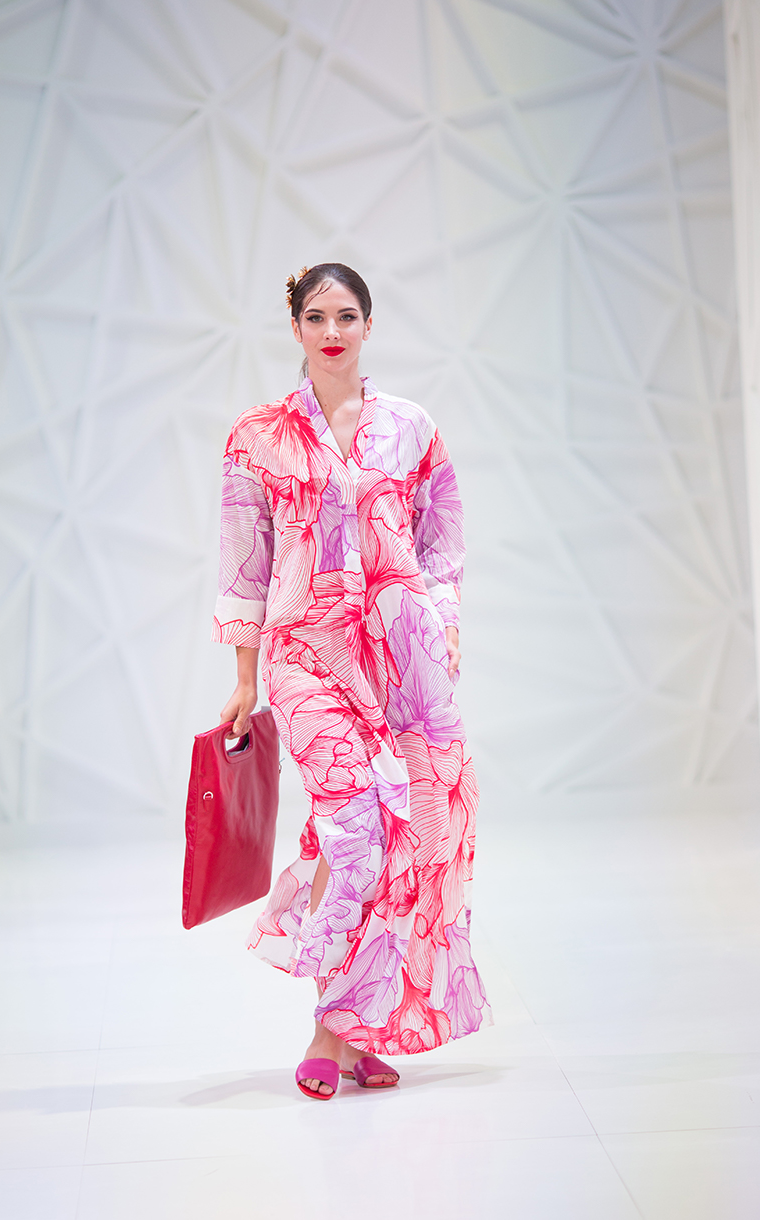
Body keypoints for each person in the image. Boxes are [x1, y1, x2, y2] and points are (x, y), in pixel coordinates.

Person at [214, 263, 492, 1099]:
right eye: (315, 316)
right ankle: (332, 1030)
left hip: (401, 660)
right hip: (304, 655)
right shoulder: (258, 436)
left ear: (368, 325)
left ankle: (351, 1030)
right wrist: (244, 678)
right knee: (353, 828)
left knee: (409, 834)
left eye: (345, 316)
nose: (331, 331)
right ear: (294, 327)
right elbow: (244, 563)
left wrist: (443, 623)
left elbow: (442, 540)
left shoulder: (411, 428)